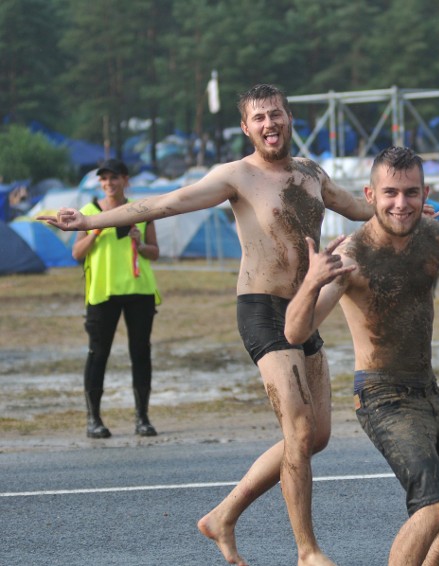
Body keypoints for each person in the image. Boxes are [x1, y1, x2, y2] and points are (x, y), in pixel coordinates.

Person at [41, 84, 375, 566]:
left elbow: (358, 209)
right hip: (262, 308)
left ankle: (223, 516)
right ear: (246, 127)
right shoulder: (236, 175)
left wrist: (398, 213)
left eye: (275, 114)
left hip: (305, 306)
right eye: (258, 117)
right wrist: (88, 223)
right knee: (300, 430)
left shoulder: (311, 174)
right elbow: (166, 203)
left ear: (288, 118)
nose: (269, 124)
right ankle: (307, 551)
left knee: (315, 435)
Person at [284, 146, 439, 566]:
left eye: (411, 193)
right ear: (370, 195)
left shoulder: (438, 238)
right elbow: (295, 331)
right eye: (390, 193)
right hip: (381, 395)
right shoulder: (352, 255)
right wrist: (312, 282)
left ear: (426, 194)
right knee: (434, 504)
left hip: (427, 389)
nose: (401, 204)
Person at [70, 158, 161, 439]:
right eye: (104, 179)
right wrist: (95, 229)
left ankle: (142, 419)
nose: (109, 184)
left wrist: (140, 242)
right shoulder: (88, 212)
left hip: (139, 291)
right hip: (102, 292)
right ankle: (93, 419)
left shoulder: (140, 211)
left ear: (125, 180)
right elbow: (77, 254)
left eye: (114, 178)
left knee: (140, 353)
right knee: (98, 355)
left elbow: (154, 252)